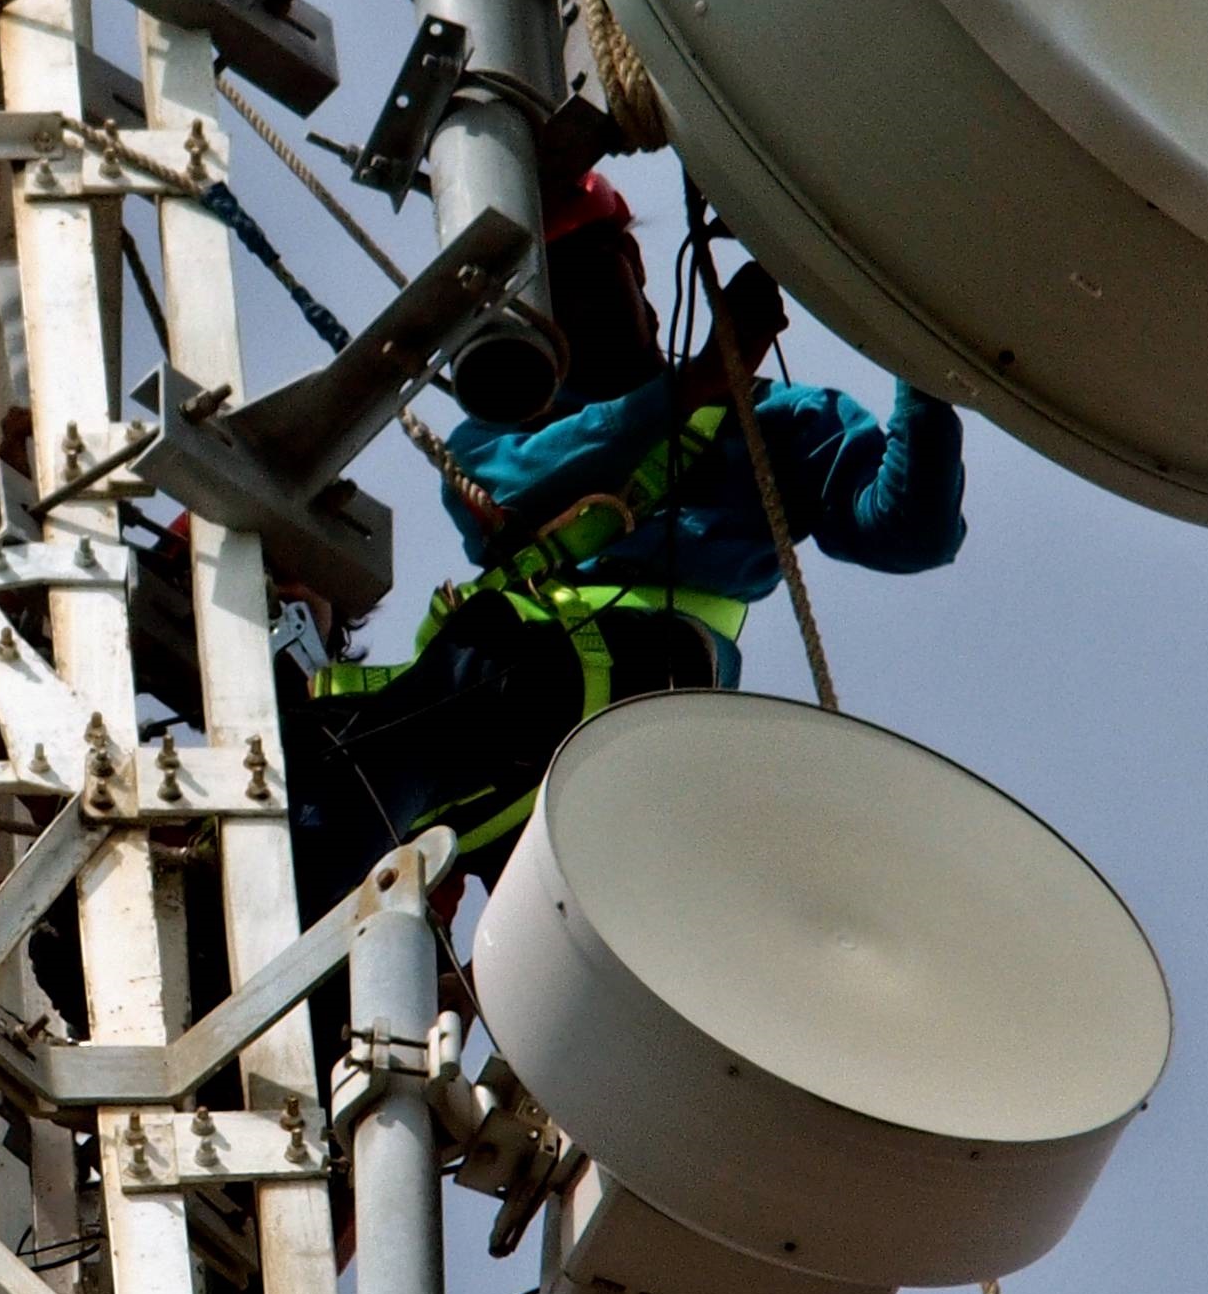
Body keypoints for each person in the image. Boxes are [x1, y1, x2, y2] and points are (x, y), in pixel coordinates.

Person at [282, 170, 966, 909]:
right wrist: (691, 386)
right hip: (521, 728)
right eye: (544, 291)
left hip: (636, 693)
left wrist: (919, 357)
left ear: (633, 267)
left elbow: (910, 532)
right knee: (331, 773)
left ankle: (310, 903)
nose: (571, 304)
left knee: (436, 707)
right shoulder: (501, 431)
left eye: (583, 271)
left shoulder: (769, 422)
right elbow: (505, 493)